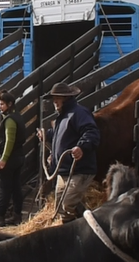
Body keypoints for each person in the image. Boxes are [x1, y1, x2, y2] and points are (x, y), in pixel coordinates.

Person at [37, 82, 100, 224]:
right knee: (60, 207)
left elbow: (92, 132)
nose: (54, 101)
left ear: (66, 98)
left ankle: (87, 226)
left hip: (78, 170)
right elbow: (59, 135)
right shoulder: (63, 116)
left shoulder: (79, 113)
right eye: (53, 98)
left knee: (68, 205)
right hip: (64, 171)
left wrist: (81, 147)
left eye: (57, 98)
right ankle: (72, 231)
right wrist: (46, 135)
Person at [0, 89, 26, 227]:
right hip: (19, 157)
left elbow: (9, 141)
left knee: (4, 188)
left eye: (2, 104)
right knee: (16, 187)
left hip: (10, 158)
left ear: (10, 104)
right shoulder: (18, 116)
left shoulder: (10, 120)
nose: (0, 106)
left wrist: (3, 159)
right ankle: (17, 216)